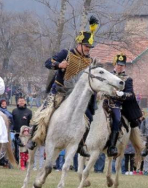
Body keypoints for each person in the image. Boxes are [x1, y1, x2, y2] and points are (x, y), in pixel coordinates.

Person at [28, 16, 99, 156]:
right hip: (59, 90)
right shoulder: (66, 53)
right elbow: (48, 62)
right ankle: (33, 139)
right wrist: (59, 65)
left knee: (89, 116)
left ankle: (81, 144)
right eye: (86, 46)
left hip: (77, 95)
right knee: (44, 112)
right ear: (79, 44)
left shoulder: (89, 61)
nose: (88, 49)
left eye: (89, 47)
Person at [103, 53, 142, 157]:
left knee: (117, 119)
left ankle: (112, 146)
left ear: (124, 66)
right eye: (118, 64)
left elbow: (131, 95)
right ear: (114, 64)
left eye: (122, 65)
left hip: (116, 104)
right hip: (104, 102)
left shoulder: (127, 79)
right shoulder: (108, 75)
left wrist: (122, 94)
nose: (120, 67)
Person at [12, 97, 32, 162]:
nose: (21, 102)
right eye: (20, 101)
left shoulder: (29, 111)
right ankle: (17, 161)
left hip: (25, 135)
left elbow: (30, 123)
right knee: (16, 148)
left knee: (25, 148)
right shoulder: (14, 111)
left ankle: (24, 162)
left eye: (22, 101)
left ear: (25, 102)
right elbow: (12, 121)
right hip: (16, 133)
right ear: (18, 102)